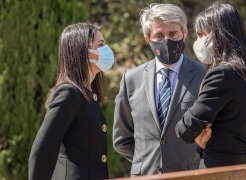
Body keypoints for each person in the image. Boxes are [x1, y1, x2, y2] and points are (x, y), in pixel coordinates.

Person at [113, 3, 206, 176]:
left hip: (191, 176)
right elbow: (122, 139)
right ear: (147, 39)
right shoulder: (131, 79)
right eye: (159, 35)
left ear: (184, 35)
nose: (167, 40)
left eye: (173, 34)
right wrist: (145, 164)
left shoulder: (205, 75)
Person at [175, 2, 246, 168]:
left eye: (200, 34)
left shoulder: (222, 74)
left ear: (217, 35)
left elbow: (185, 129)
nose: (197, 41)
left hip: (217, 168)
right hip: (243, 165)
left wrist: (199, 138)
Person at [28, 22, 114, 179]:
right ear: (81, 52)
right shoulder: (68, 93)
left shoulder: (88, 95)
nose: (106, 50)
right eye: (100, 45)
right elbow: (43, 150)